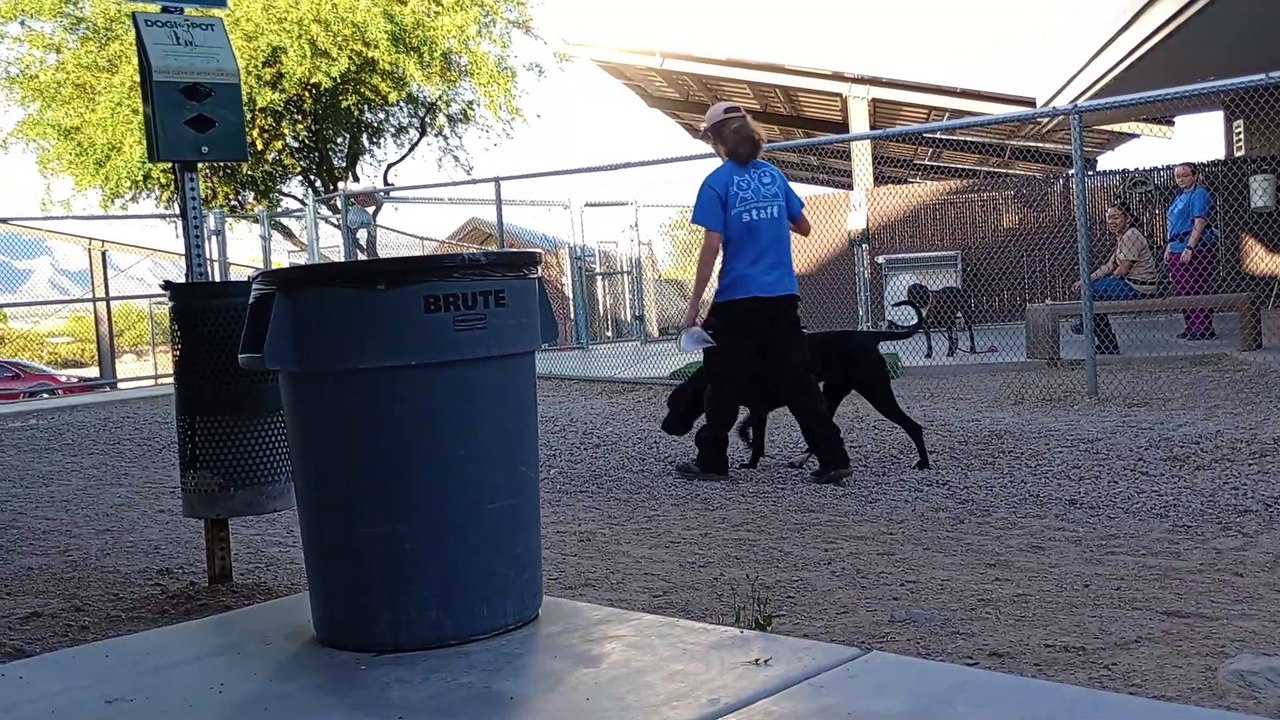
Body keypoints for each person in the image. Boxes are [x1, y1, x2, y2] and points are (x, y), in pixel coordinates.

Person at [676, 102, 853, 485]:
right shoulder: (773, 176)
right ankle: (833, 457)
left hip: (738, 298)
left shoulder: (716, 183)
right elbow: (804, 226)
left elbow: (711, 246)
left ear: (715, 141)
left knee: (721, 379)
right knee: (799, 379)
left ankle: (712, 460)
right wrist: (768, 221)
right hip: (782, 296)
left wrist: (695, 305)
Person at [1070, 202, 1161, 354]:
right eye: (1109, 218)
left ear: (1128, 218)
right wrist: (1085, 280)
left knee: (1094, 292)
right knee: (1092, 291)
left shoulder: (1131, 235)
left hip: (1139, 286)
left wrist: (1109, 281)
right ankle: (1104, 340)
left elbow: (1124, 267)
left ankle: (1092, 328)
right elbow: (1109, 266)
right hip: (1129, 283)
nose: (1111, 222)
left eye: (1116, 217)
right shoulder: (1122, 238)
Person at [1165, 162, 1219, 340]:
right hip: (1176, 245)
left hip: (1194, 246)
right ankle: (1190, 325)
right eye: (1178, 176)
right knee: (1182, 288)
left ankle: (1202, 326)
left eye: (1185, 175)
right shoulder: (1179, 196)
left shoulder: (1199, 194)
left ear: (1195, 175)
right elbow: (1173, 223)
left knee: (1196, 285)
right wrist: (1169, 245)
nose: (1181, 179)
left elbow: (1199, 222)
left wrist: (1190, 246)